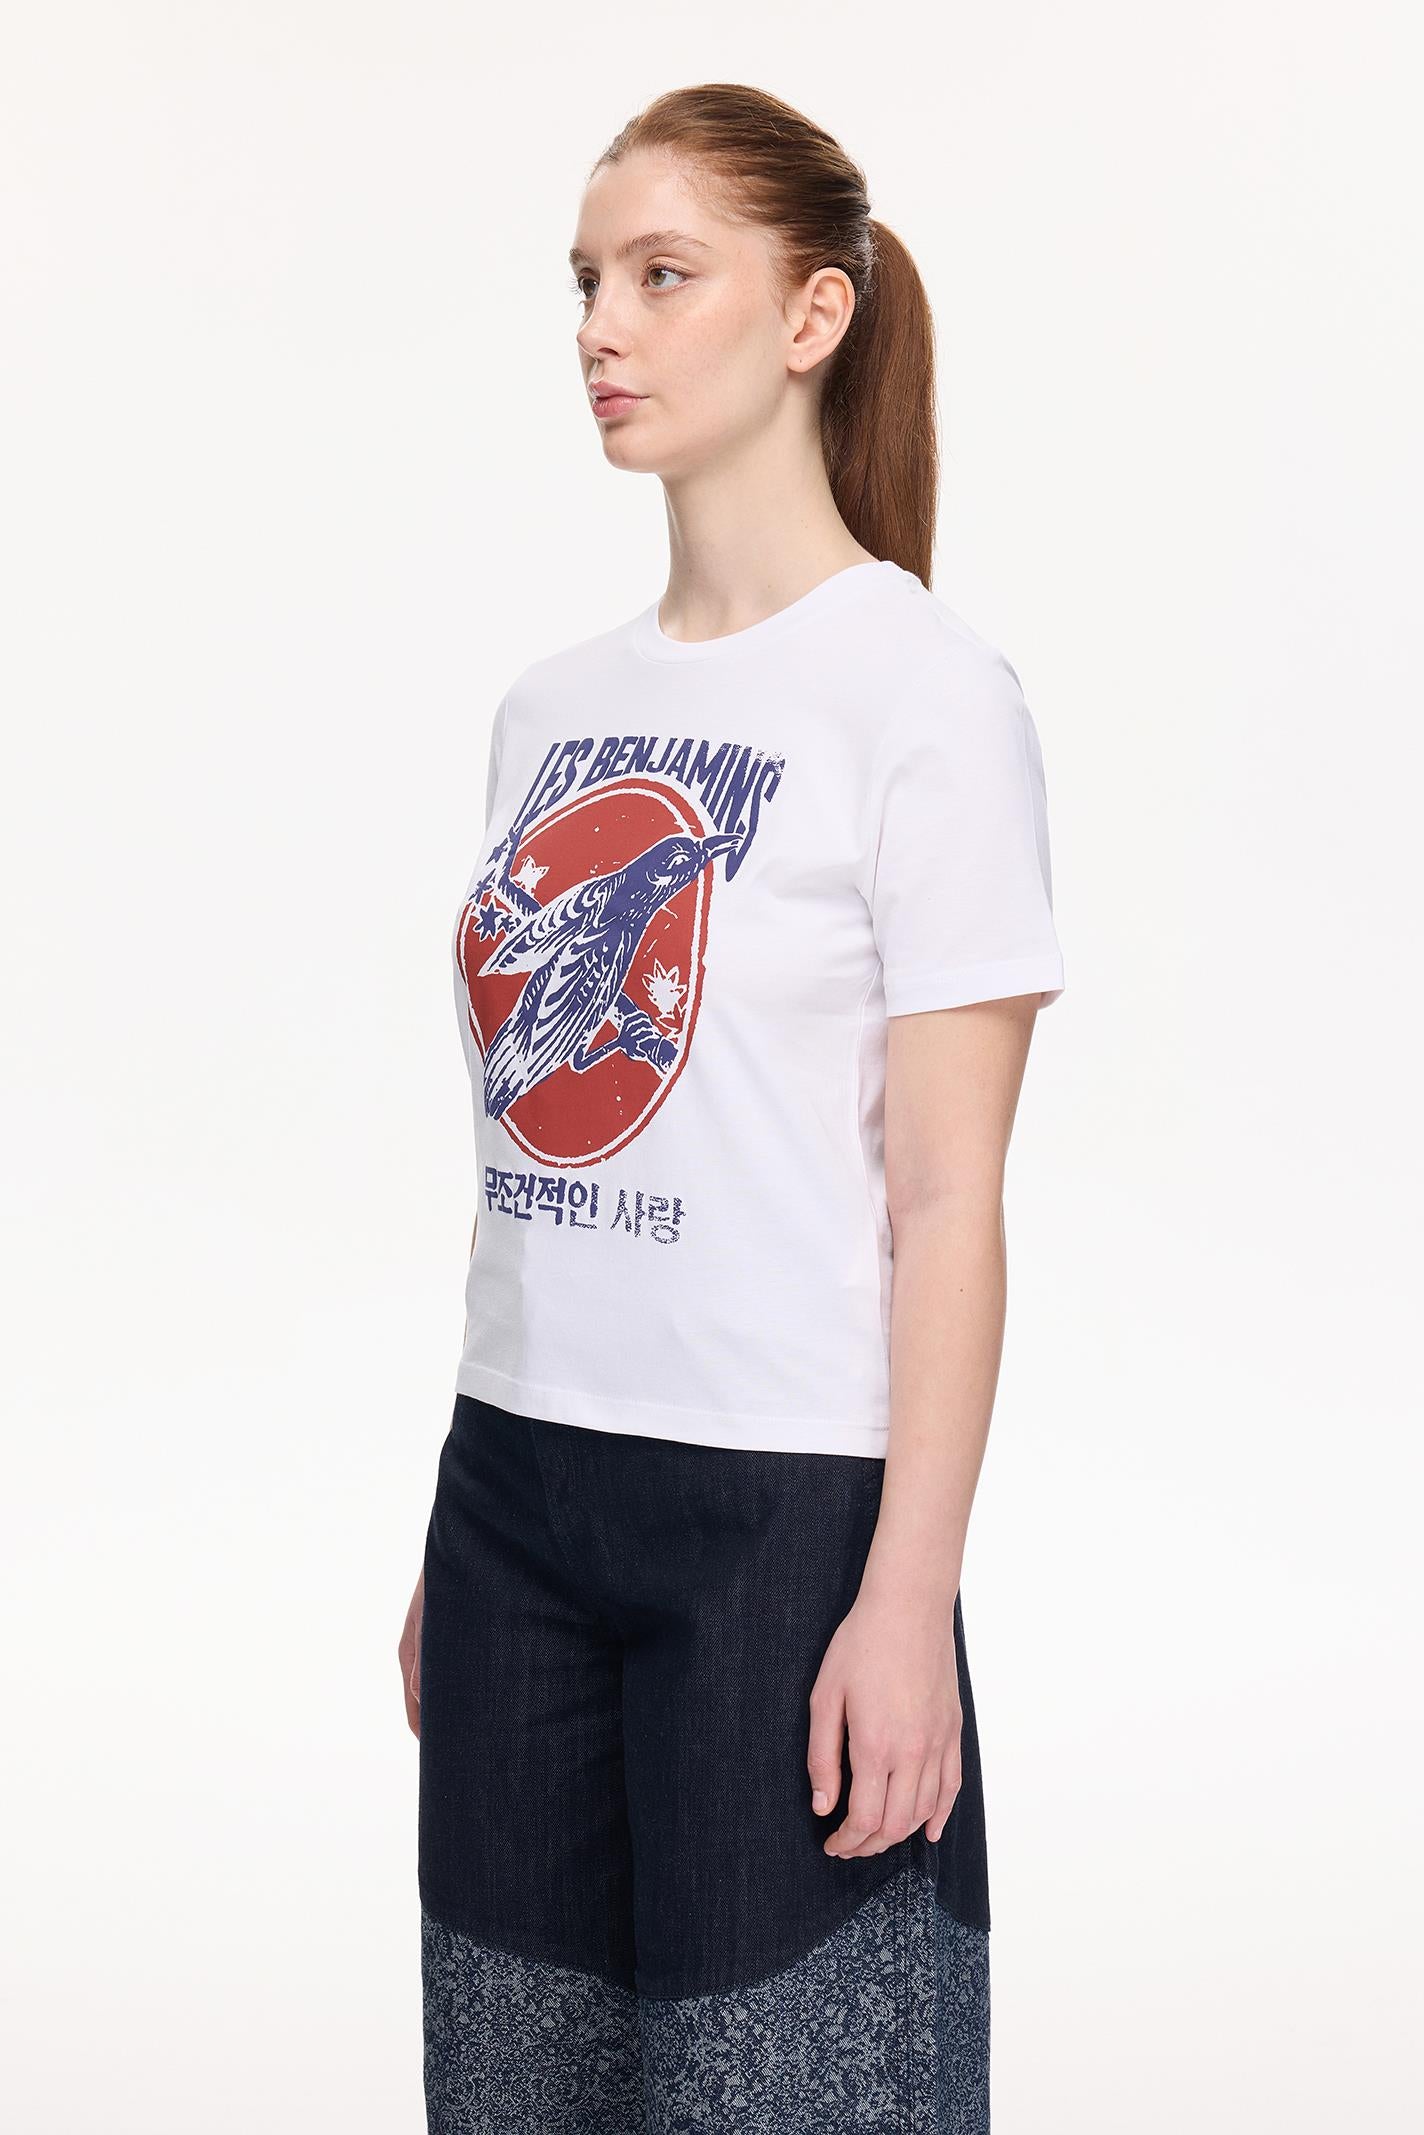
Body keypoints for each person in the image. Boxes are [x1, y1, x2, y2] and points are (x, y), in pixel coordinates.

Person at [398, 81, 1066, 2134]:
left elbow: (947, 1199)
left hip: (784, 1519)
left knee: (801, 2094)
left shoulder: (924, 698)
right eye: (587, 281)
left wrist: (906, 1596)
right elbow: (534, 1144)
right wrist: (460, 1518)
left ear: (811, 316)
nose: (601, 326)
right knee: (512, 2094)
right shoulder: (550, 709)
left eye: (662, 274)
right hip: (516, 1496)